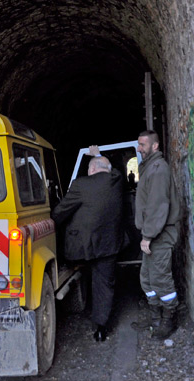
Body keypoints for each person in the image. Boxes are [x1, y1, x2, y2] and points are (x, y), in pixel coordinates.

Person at [51, 150, 124, 342]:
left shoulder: (81, 185)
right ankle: (101, 328)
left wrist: (50, 222)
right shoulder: (115, 180)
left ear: (91, 169)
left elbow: (61, 212)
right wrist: (99, 154)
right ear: (107, 170)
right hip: (109, 246)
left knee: (79, 267)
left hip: (84, 248)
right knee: (104, 284)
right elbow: (114, 169)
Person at [133, 130, 180, 339]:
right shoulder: (149, 168)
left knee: (161, 278)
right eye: (139, 144)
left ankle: (169, 319)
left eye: (143, 145)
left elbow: (158, 206)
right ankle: (155, 318)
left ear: (155, 146)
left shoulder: (158, 169)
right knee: (147, 278)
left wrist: (148, 236)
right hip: (152, 235)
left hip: (160, 236)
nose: (139, 148)